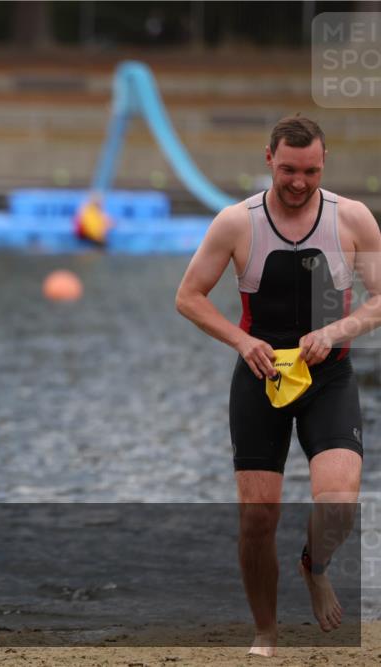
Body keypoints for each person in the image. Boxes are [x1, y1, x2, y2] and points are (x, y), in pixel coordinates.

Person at [176, 115, 380, 657]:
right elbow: (189, 297)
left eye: (311, 170)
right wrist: (243, 344)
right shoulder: (236, 223)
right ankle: (266, 631)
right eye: (288, 169)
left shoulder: (353, 218)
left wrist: (335, 330)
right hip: (261, 376)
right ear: (268, 159)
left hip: (328, 376)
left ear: (324, 161)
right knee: (259, 517)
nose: (298, 181)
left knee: (338, 502)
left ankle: (315, 566)